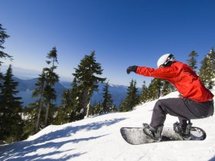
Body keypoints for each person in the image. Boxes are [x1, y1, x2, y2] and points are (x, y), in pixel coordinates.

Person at [127, 53, 214, 140]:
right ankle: (183, 129)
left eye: (161, 68)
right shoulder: (184, 68)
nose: (162, 70)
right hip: (208, 107)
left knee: (160, 104)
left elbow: (152, 72)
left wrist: (136, 69)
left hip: (198, 106)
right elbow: (193, 84)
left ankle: (154, 131)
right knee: (181, 102)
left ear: (166, 63)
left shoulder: (172, 69)